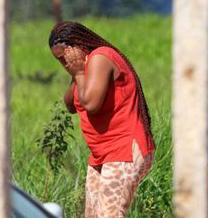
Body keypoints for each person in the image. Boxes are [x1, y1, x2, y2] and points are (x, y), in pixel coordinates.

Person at [49, 21, 156, 218]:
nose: (65, 63)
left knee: (110, 214)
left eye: (66, 57)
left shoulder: (101, 57)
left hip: (124, 149)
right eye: (60, 61)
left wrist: (80, 73)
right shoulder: (82, 68)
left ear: (80, 45)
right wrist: (75, 74)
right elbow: (71, 105)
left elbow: (91, 104)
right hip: (101, 153)